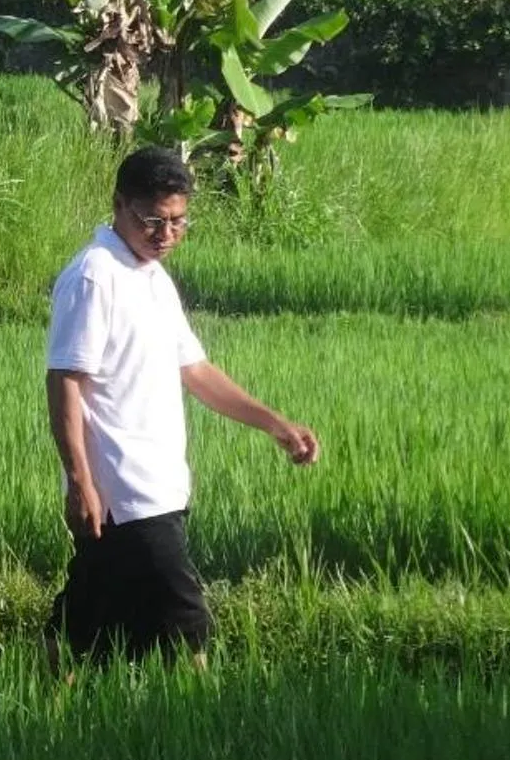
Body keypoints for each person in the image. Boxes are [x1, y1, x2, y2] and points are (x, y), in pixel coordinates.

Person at [45, 145, 320, 665]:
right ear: (119, 205)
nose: (166, 234)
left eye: (178, 222)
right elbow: (64, 381)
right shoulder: (94, 276)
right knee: (184, 617)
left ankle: (47, 708)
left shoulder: (151, 277)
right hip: (122, 492)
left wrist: (274, 423)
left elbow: (194, 371)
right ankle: (202, 723)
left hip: (159, 482)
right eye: (153, 220)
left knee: (92, 617)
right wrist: (79, 481)